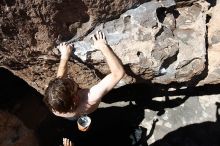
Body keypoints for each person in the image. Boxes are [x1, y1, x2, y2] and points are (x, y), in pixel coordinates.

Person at [44, 30, 125, 120]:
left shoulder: (55, 107)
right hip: (85, 109)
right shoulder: (90, 97)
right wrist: (102, 46)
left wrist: (64, 56)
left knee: (73, 118)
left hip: (71, 114)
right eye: (71, 85)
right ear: (75, 97)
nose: (68, 78)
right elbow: (118, 73)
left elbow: (59, 80)